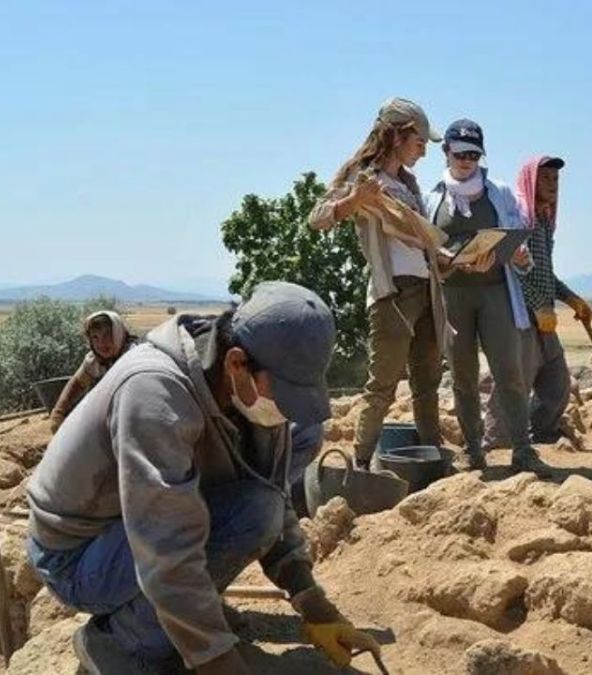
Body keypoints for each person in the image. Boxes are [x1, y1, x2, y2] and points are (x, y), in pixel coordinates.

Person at [25, 282, 378, 674]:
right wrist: (218, 663)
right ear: (237, 364)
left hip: (141, 530)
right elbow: (167, 548)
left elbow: (271, 500)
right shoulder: (153, 393)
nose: (284, 408)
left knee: (266, 496)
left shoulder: (250, 390)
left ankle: (162, 623)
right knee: (240, 521)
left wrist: (314, 603)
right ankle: (118, 644)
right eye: (283, 393)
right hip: (77, 553)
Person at [308, 97, 447, 470]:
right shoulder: (364, 178)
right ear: (399, 135)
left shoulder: (408, 183)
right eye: (419, 142)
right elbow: (317, 218)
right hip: (393, 294)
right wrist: (355, 199)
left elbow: (422, 240)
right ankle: (361, 466)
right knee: (382, 386)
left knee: (426, 383)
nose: (422, 151)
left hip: (425, 289)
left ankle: (433, 460)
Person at [425, 119, 551, 476]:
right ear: (446, 152)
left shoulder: (500, 192)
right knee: (463, 377)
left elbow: (516, 240)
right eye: (460, 153)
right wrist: (447, 260)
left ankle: (523, 451)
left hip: (496, 293)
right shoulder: (431, 197)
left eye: (473, 154)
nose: (466, 160)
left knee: (509, 372)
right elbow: (425, 246)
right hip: (453, 296)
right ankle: (472, 451)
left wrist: (518, 255)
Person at [485, 156, 592, 444]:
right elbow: (515, 272)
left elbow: (545, 274)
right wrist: (537, 306)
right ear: (531, 180)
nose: (552, 184)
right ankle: (496, 439)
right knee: (514, 378)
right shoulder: (522, 219)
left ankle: (541, 432)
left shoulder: (544, 221)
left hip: (544, 317)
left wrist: (571, 299)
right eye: (545, 178)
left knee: (556, 380)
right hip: (521, 314)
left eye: (555, 179)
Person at [49, 310, 138, 432]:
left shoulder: (134, 357)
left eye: (107, 335)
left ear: (118, 333)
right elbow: (77, 383)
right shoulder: (95, 360)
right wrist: (58, 413)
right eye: (95, 337)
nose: (101, 343)